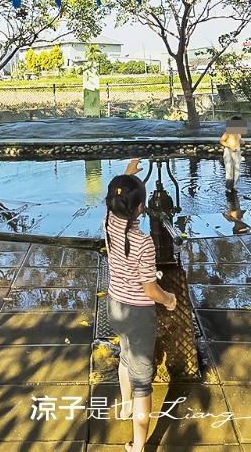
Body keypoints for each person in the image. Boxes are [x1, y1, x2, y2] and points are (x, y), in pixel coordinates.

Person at [103, 159, 177, 452]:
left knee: (125, 354)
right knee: (143, 383)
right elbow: (150, 289)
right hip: (138, 314)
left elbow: (113, 201)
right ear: (139, 209)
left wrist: (126, 175)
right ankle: (139, 446)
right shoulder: (144, 243)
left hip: (115, 306)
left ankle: (124, 408)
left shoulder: (108, 224)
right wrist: (168, 299)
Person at [220, 117, 245, 193]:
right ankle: (229, 187)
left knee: (237, 170)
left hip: (237, 151)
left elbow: (238, 139)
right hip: (229, 151)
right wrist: (230, 146)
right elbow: (221, 141)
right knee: (229, 169)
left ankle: (234, 185)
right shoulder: (228, 132)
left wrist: (241, 141)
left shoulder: (239, 132)